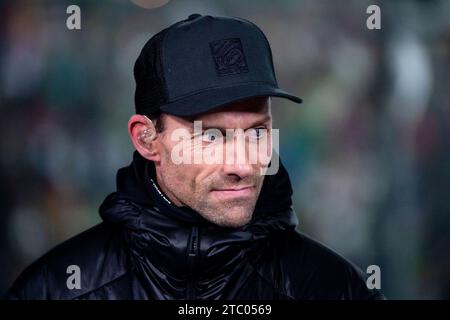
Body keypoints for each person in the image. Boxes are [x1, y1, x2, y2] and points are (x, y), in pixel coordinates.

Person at [5, 14, 384, 300]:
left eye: (256, 132)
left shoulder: (337, 288)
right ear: (147, 138)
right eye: (211, 136)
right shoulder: (56, 289)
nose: (241, 165)